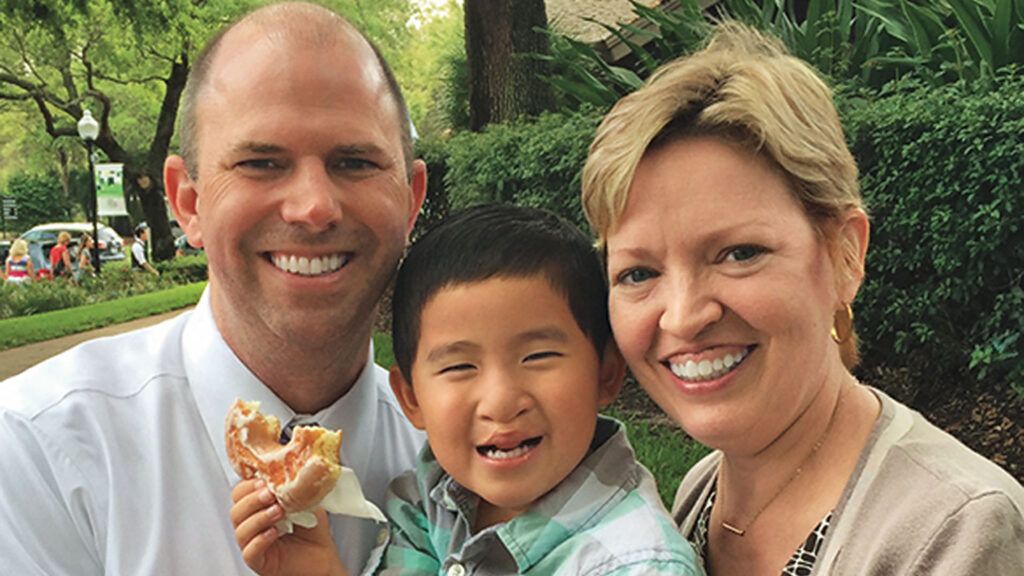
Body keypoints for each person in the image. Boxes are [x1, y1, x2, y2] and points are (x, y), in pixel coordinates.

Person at [581, 22, 1024, 576]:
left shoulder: (958, 529)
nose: (684, 314)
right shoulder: (705, 489)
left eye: (739, 253)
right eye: (638, 272)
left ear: (844, 257)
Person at [0, 2, 427, 574]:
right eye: (260, 162)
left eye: (353, 162)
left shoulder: (471, 458)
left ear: (411, 199)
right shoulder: (39, 452)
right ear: (188, 202)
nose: (314, 207)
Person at [231, 204, 704, 575]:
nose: (500, 401)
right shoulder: (425, 509)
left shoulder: (635, 563)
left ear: (605, 374)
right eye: (459, 366)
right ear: (411, 398)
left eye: (537, 357)